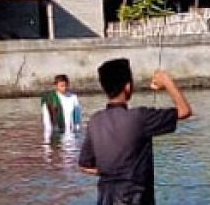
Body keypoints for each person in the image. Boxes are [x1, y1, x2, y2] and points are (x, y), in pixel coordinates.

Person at [79, 59, 192, 205]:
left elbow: (84, 165)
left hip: (106, 198)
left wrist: (111, 171)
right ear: (128, 86)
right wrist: (166, 81)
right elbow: (184, 111)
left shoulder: (95, 121)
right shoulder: (140, 117)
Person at [42, 74, 84, 138]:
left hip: (71, 133)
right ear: (56, 86)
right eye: (62, 86)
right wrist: (48, 138)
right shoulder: (49, 99)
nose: (64, 88)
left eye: (66, 85)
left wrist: (78, 134)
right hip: (57, 134)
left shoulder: (73, 97)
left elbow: (78, 118)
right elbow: (47, 121)